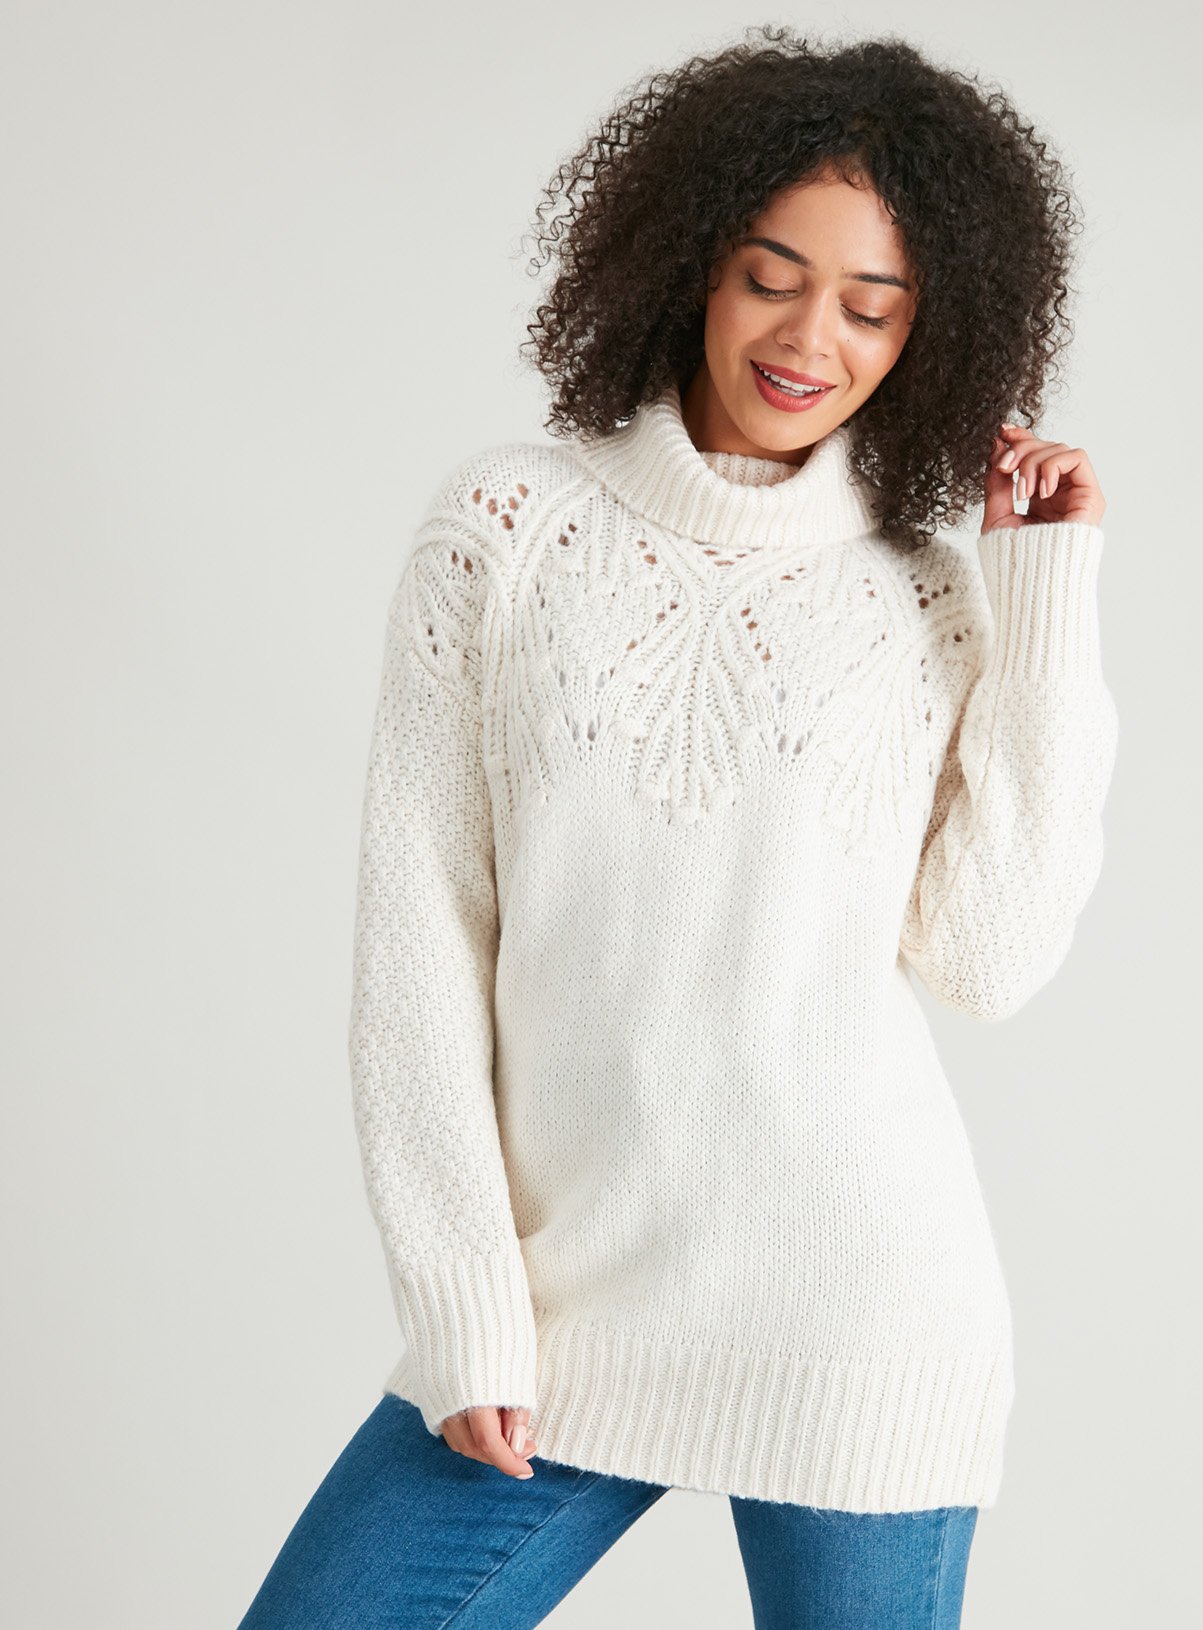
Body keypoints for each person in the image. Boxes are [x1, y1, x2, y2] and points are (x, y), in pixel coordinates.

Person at [237, 26, 1117, 1629]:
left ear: (931, 331)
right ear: (692, 257)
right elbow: (421, 948)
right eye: (772, 274)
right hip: (566, 1304)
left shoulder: (923, 595)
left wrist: (1041, 594)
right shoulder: (506, 531)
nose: (810, 336)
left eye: (873, 305)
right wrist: (463, 1306)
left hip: (864, 1313)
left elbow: (987, 958)